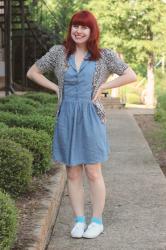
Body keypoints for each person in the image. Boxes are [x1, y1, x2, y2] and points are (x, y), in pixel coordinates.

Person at [27, 10, 137, 239]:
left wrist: (103, 88)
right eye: (75, 26)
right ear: (71, 29)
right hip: (66, 117)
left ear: (92, 31)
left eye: (84, 27)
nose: (79, 30)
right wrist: (56, 88)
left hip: (91, 117)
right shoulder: (59, 53)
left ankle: (96, 220)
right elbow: (33, 71)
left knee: (94, 172)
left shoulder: (103, 56)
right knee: (73, 172)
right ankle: (79, 220)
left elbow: (130, 75)